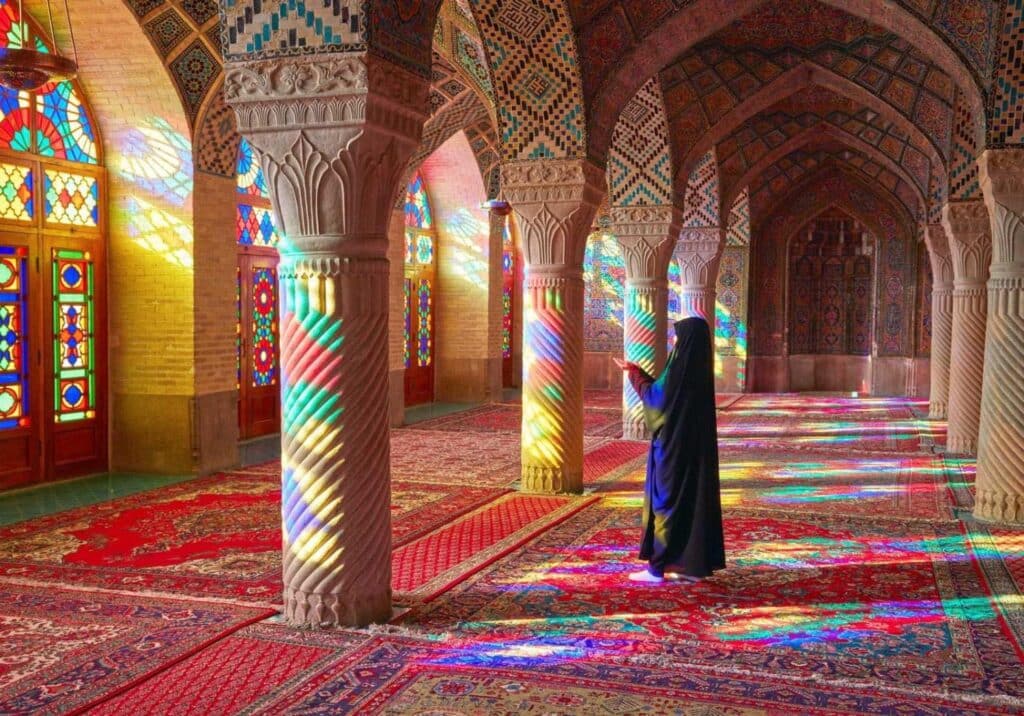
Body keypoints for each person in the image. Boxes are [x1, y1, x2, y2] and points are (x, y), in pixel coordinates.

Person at [618, 316, 726, 583]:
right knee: (691, 502)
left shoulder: (679, 367)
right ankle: (691, 565)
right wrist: (641, 374)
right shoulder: (696, 369)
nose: (673, 340)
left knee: (665, 503)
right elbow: (668, 394)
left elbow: (658, 399)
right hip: (692, 453)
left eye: (677, 336)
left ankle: (657, 568)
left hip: (672, 452)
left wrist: (634, 374)